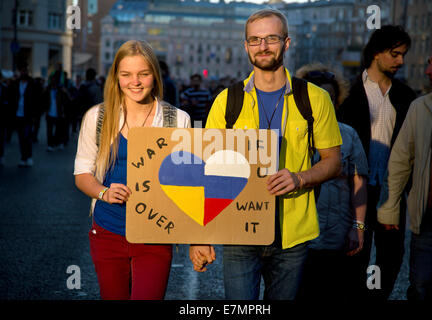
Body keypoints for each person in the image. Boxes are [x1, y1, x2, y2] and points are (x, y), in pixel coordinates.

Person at [189, 9, 342, 300]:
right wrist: (200, 236)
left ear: (286, 43)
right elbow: (205, 171)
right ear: (246, 46)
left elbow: (333, 162)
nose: (263, 47)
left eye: (271, 38)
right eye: (255, 40)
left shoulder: (315, 98)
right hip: (239, 230)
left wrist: (299, 178)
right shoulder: (227, 101)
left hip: (293, 233)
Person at [73, 40, 190, 300]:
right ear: (116, 77)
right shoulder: (97, 117)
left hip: (155, 234)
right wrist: (103, 192)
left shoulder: (178, 120)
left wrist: (198, 237)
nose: (134, 82)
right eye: (126, 75)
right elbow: (81, 174)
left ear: (155, 76)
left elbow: (187, 185)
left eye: (143, 74)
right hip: (107, 231)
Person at [337, 25, 416, 300]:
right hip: (355, 191)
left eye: (403, 55)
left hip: (391, 191)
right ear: (376, 53)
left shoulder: (407, 97)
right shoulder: (347, 94)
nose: (401, 61)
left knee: (392, 256)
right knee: (353, 253)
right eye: (395, 54)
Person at [378, 42, 432, 300]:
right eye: (428, 63)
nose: (428, 70)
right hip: (428, 220)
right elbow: (399, 162)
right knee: (421, 290)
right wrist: (389, 210)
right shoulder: (420, 108)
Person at [295, 63, 368, 301]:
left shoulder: (348, 135)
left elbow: (359, 184)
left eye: (330, 98)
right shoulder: (290, 135)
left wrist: (357, 228)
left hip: (337, 236)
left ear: (337, 101)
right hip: (300, 238)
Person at [10, 64, 37, 167]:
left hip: (28, 115)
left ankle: (29, 156)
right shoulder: (16, 83)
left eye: (25, 71)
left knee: (27, 136)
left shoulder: (32, 83)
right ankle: (23, 157)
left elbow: (36, 100)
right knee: (21, 137)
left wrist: (34, 115)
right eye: (22, 71)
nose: (23, 73)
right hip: (18, 114)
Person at [43, 74, 71, 151]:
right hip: (49, 113)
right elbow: (43, 100)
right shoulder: (47, 90)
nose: (53, 82)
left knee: (59, 130)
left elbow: (67, 101)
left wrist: (66, 92)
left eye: (55, 80)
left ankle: (59, 143)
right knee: (49, 130)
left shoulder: (61, 90)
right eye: (52, 80)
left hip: (59, 113)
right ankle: (50, 145)